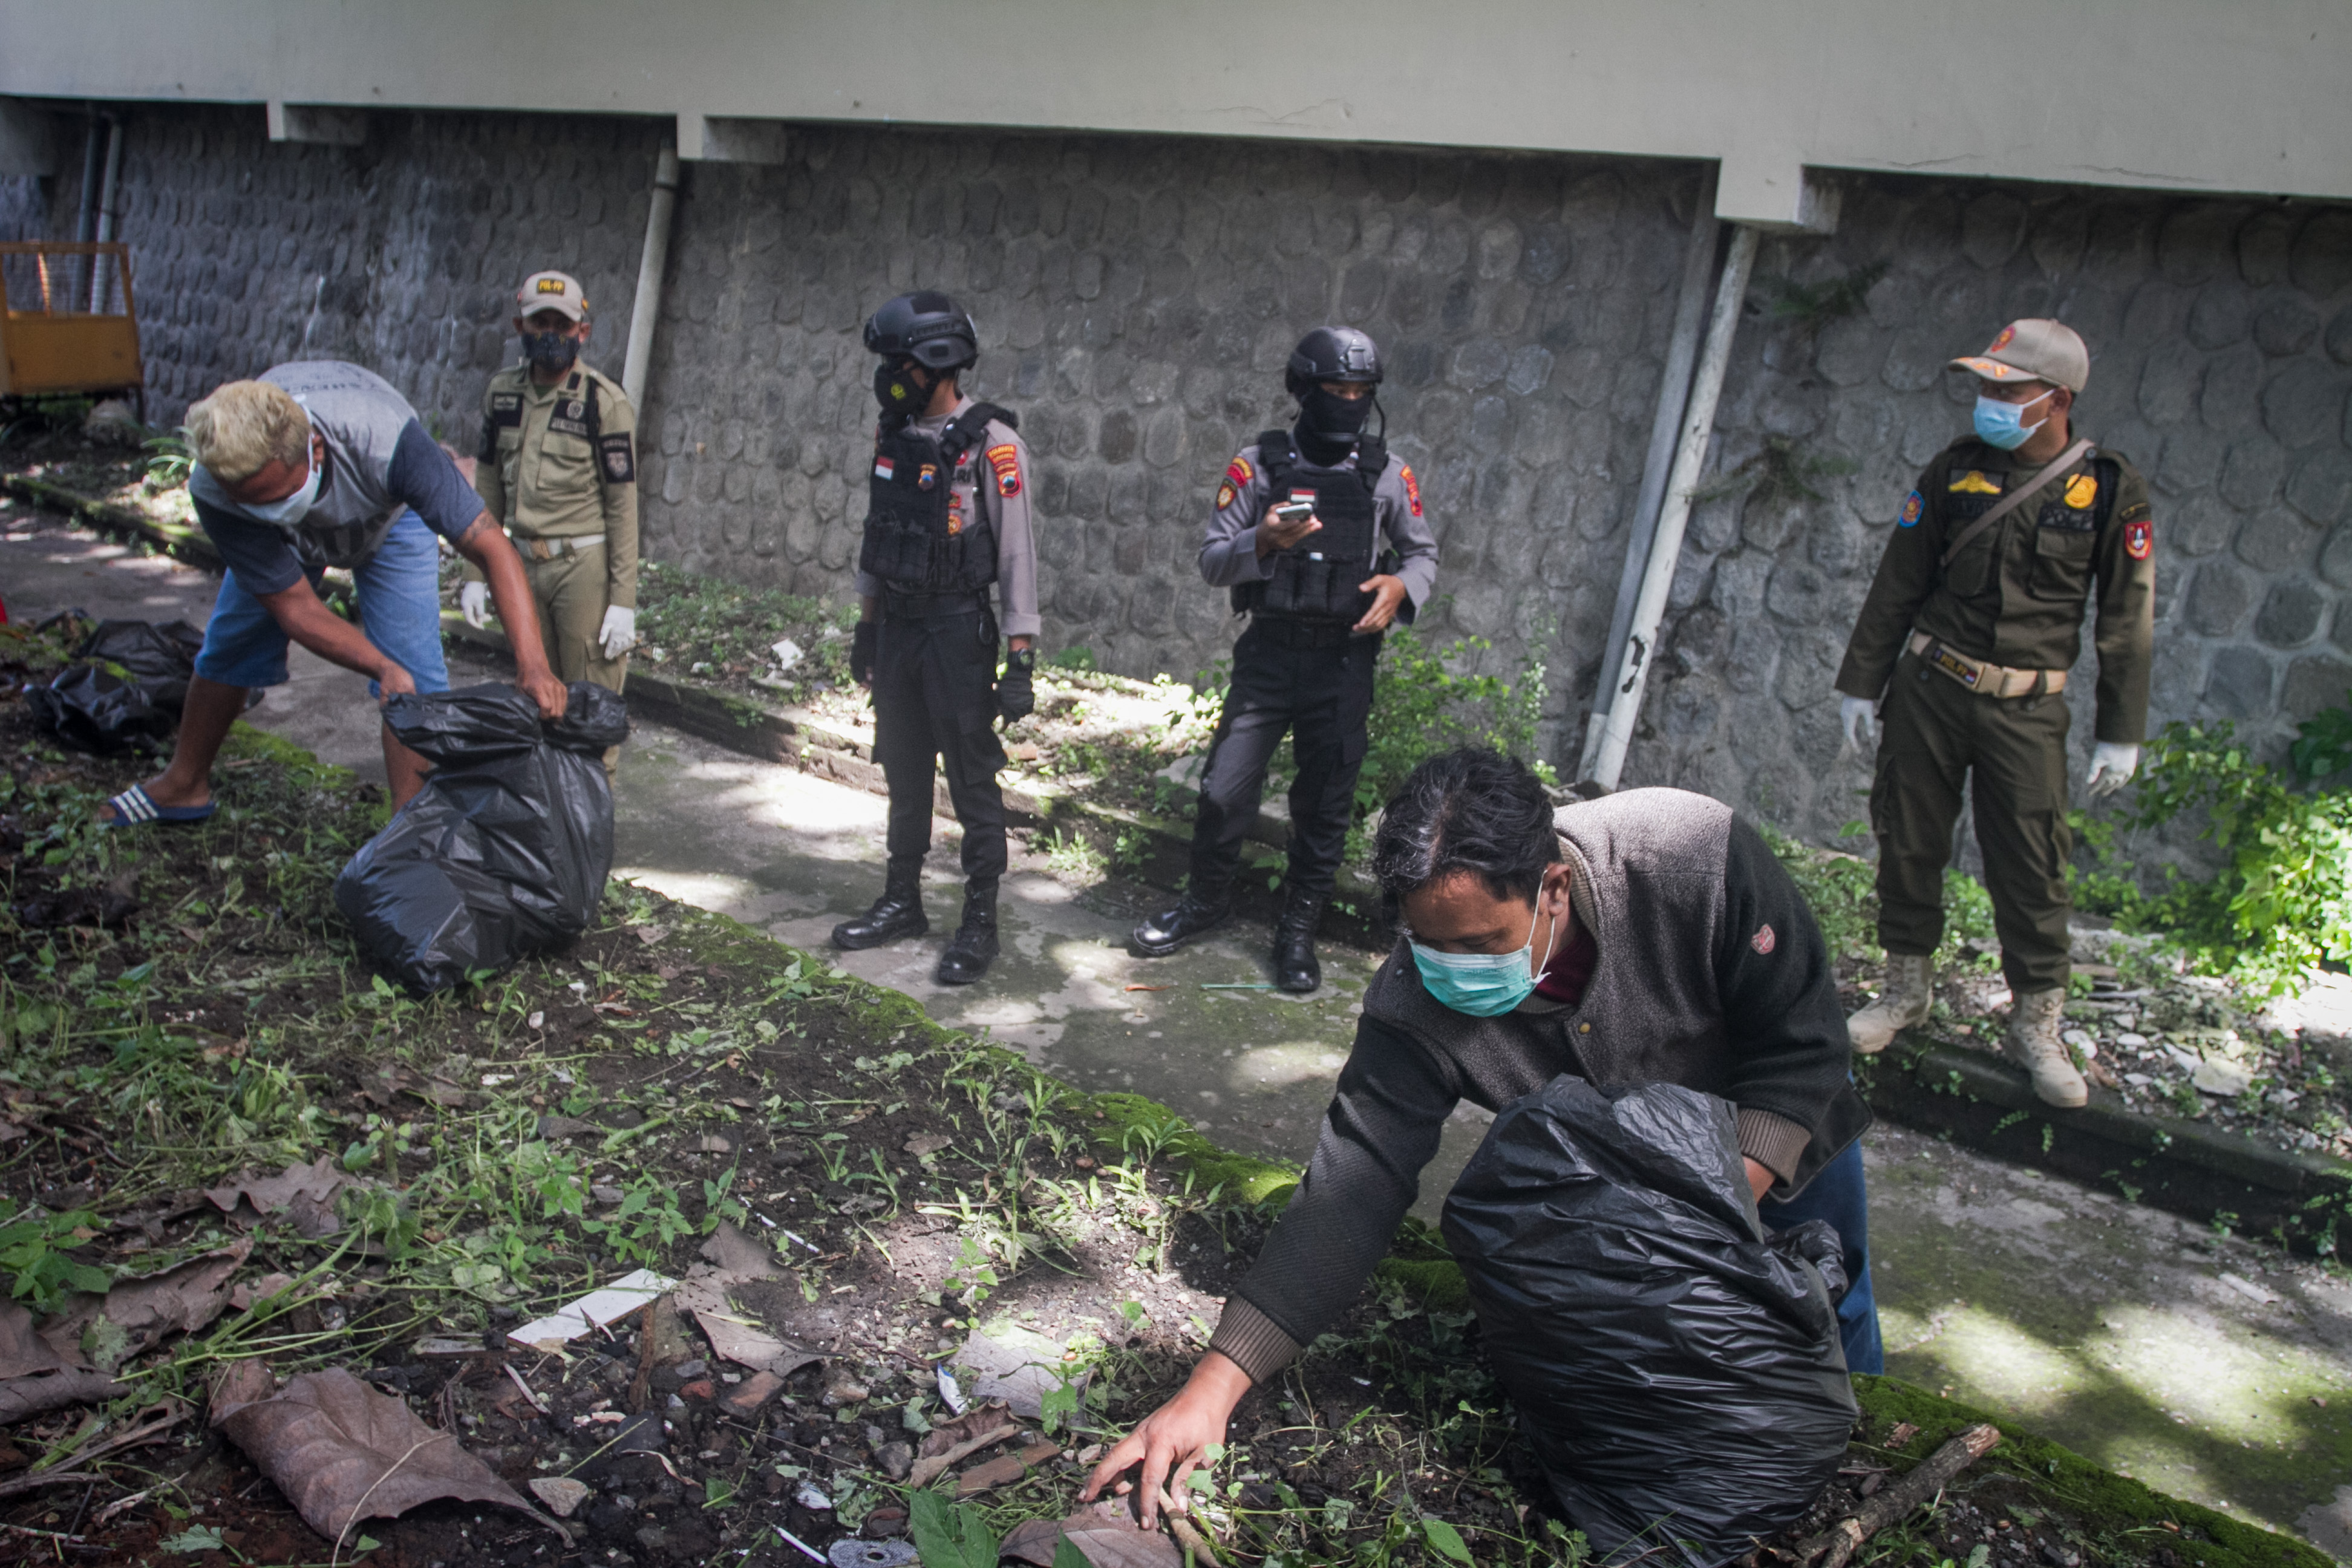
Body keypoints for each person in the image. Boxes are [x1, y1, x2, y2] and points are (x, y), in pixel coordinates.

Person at [1084, 746, 1880, 1523]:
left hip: (1774, 1140)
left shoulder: (1690, 854)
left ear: (1555, 889)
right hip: (1618, 1202)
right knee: (1667, 1388)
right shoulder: (1413, 1007)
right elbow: (1351, 1192)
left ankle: (1864, 1463)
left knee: (1825, 1320)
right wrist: (1212, 1390)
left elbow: (1804, 1041)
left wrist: (1702, 1226)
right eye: (1426, 944)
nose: (1450, 970)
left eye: (1478, 946)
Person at [1835, 319, 2154, 1108]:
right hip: (1932, 688)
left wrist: (2121, 732)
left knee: (2032, 868)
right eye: (1986, 387)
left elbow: (2126, 618)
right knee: (1908, 842)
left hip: (2028, 708)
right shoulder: (1955, 470)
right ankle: (1905, 991)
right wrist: (1860, 681)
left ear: (2057, 400)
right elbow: (1898, 580)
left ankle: (2037, 1026)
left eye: (2008, 391)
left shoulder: (2107, 489)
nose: (1990, 402)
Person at [97, 364, 565, 829]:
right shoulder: (218, 486)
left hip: (388, 520)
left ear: (315, 449)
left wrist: (534, 664)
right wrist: (379, 665)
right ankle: (183, 784)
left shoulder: (388, 443)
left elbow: (491, 547)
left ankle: (412, 830)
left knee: (416, 675)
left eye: (275, 496)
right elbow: (294, 606)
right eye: (251, 502)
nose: (266, 507)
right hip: (277, 545)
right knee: (231, 645)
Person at [1129, 327, 1439, 993]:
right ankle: (1205, 903)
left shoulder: (1387, 474)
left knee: (1324, 805)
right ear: (1304, 390)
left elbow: (1421, 553)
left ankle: (1295, 935)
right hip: (1269, 655)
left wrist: (1400, 587)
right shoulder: (1258, 466)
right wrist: (1262, 541)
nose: (1350, 401)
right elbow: (1214, 560)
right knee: (1223, 790)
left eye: (1362, 392)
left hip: (1345, 662)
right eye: (1336, 390)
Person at [829, 291, 1040, 986]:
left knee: (973, 779)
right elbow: (875, 538)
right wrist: (866, 627)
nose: (890, 374)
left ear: (940, 362)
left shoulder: (993, 444)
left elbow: (1016, 557)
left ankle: (980, 919)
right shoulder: (892, 435)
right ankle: (902, 900)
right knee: (904, 766)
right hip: (898, 626)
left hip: (956, 630)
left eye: (901, 362)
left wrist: (1020, 657)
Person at [459, 270, 639, 777]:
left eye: (563, 324)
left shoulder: (603, 403)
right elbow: (489, 485)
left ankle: (588, 827)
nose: (552, 334)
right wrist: (476, 573)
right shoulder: (502, 395)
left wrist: (622, 602)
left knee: (590, 710)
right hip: (520, 565)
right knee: (535, 701)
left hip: (582, 567)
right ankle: (545, 822)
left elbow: (624, 506)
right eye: (541, 322)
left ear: (583, 331)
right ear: (521, 325)